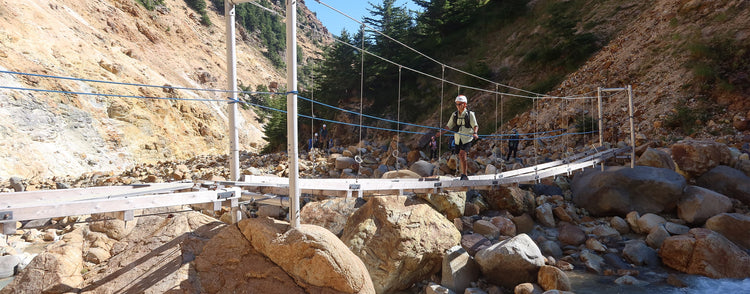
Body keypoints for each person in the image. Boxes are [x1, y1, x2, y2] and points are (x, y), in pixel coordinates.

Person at [436, 95, 478, 181]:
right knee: (459, 155)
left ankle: (464, 175)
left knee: (462, 154)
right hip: (458, 139)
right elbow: (448, 126)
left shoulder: (470, 114)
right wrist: (441, 133)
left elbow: (475, 125)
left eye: (460, 104)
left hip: (467, 138)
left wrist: (475, 133)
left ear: (465, 104)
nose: (458, 106)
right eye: (457, 104)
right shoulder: (454, 115)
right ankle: (461, 173)